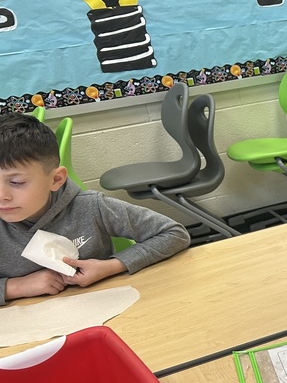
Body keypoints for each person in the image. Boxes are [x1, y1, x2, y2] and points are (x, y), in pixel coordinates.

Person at [0, 112, 191, 305]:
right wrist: (15, 287)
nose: (2, 196)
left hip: (104, 309)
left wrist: (111, 266)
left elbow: (173, 233)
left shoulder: (91, 206)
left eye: (16, 182)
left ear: (56, 179)